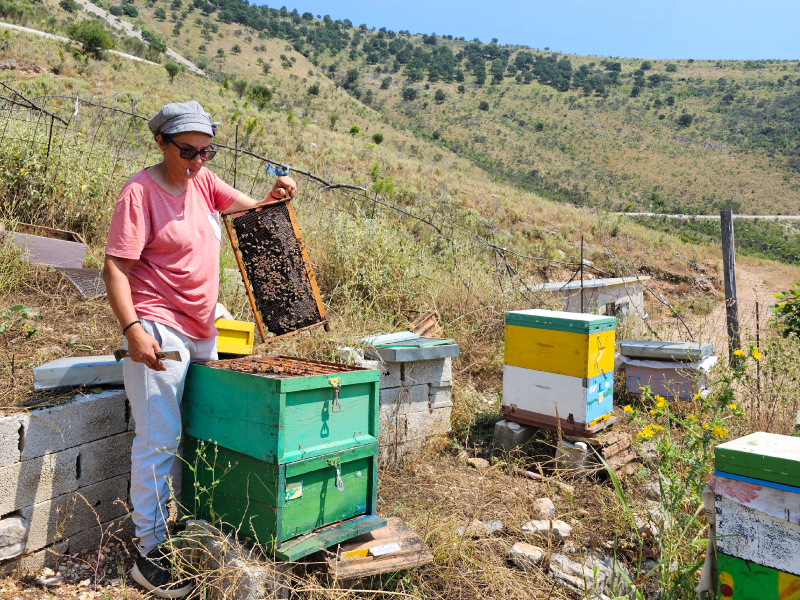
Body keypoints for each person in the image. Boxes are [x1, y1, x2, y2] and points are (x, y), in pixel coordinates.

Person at [103, 101, 297, 598]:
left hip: (203, 328)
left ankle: (190, 526)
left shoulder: (204, 181)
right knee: (159, 438)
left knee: (206, 432)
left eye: (206, 152)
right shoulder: (139, 192)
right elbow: (116, 268)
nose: (197, 160)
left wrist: (276, 196)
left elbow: (252, 213)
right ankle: (149, 553)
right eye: (187, 151)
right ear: (161, 142)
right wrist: (132, 329)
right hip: (158, 326)